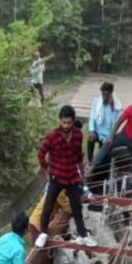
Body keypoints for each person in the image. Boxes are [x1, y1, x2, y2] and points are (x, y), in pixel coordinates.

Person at [34, 104, 97, 251]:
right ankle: (43, 233)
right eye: (64, 122)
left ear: (73, 121)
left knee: (76, 206)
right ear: (60, 121)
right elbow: (41, 154)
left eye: (69, 123)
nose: (66, 126)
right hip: (57, 176)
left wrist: (82, 175)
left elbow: (79, 157)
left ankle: (83, 235)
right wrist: (46, 172)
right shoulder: (52, 136)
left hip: (72, 177)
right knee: (48, 205)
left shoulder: (78, 135)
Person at [87, 82, 122, 162]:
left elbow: (113, 123)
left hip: (107, 134)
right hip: (97, 132)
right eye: (103, 95)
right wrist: (92, 130)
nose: (104, 97)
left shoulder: (116, 106)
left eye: (107, 95)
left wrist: (111, 108)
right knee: (90, 139)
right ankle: (89, 161)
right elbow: (92, 117)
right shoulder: (96, 102)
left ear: (111, 94)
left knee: (102, 157)